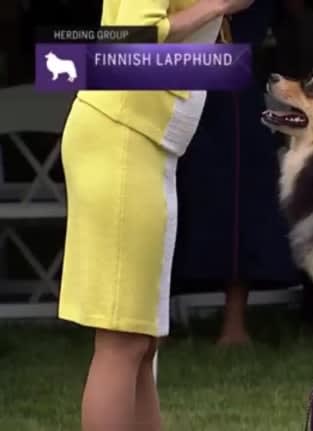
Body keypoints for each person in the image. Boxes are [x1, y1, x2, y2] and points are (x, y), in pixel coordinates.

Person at [56, 0, 254, 429]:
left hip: (146, 146)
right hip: (123, 140)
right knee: (122, 341)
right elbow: (131, 40)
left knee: (141, 341)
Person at [172, 0, 301, 346]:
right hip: (170, 71)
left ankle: (234, 323)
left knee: (239, 193)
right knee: (166, 190)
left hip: (231, 82)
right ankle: (157, 321)